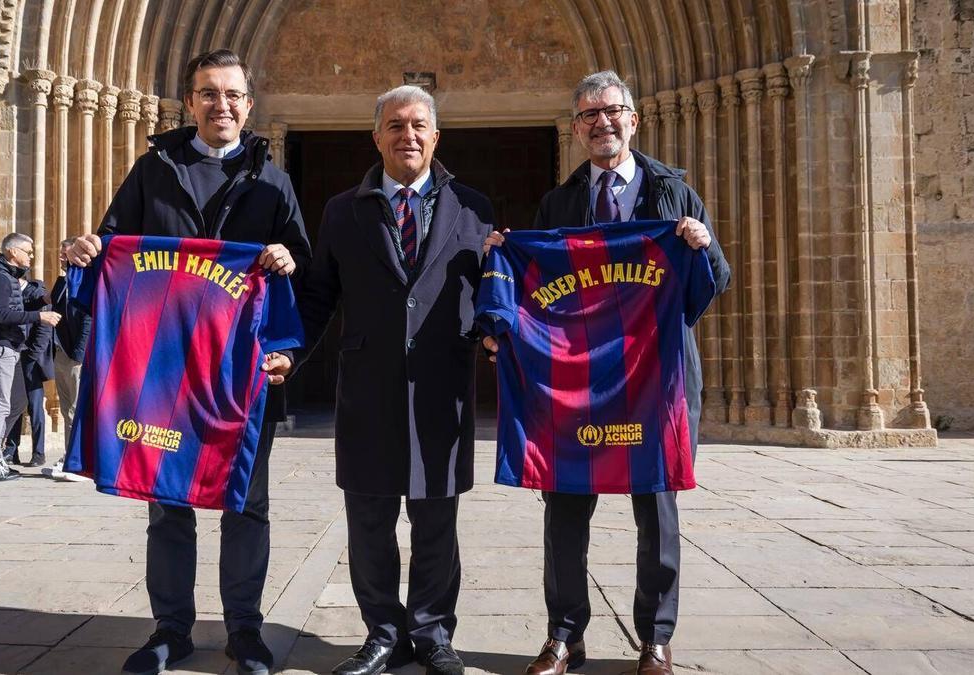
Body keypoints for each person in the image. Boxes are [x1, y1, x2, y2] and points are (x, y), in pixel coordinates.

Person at [65, 49, 310, 675]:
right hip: (164, 372)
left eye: (232, 94)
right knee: (167, 504)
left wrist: (284, 265)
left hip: (238, 377)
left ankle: (244, 631)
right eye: (208, 93)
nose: (220, 105)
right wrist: (85, 249)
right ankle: (170, 631)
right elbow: (111, 248)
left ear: (249, 107)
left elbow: (303, 273)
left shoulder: (271, 181)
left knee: (245, 507)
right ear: (190, 102)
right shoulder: (154, 170)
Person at [483, 71, 731, 675]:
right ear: (575, 128)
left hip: (656, 382)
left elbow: (712, 283)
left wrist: (700, 245)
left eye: (612, 111)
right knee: (564, 508)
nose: (603, 123)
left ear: (634, 119)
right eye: (590, 115)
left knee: (658, 510)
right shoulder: (560, 202)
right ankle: (565, 635)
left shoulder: (673, 192)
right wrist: (503, 258)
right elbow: (541, 294)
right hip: (578, 386)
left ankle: (656, 639)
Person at [295, 85, 495, 675]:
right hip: (368, 389)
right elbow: (316, 297)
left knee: (437, 520)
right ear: (376, 135)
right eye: (395, 125)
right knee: (370, 520)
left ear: (436, 137)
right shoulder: (341, 209)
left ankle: (432, 634)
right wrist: (288, 354)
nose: (407, 135)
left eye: (418, 126)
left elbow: (496, 292)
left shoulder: (474, 207)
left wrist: (501, 335)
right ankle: (382, 632)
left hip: (442, 388)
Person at [0, 233, 60, 483]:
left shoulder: (7, 276)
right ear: (12, 252)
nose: (31, 256)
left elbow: (14, 307)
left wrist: (39, 301)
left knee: (16, 404)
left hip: (7, 348)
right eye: (27, 251)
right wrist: (39, 317)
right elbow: (1, 315)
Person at [43, 238, 91, 482]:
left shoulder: (84, 280)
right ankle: (70, 456)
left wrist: (79, 355)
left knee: (76, 408)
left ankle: (79, 461)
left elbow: (87, 320)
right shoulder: (63, 282)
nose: (61, 258)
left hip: (75, 355)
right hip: (61, 353)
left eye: (65, 254)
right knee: (66, 409)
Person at [3, 278, 55, 468]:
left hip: (31, 359)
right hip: (14, 355)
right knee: (14, 403)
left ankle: (38, 453)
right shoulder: (11, 294)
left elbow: (44, 329)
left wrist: (31, 357)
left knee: (35, 406)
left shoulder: (37, 292)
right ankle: (11, 450)